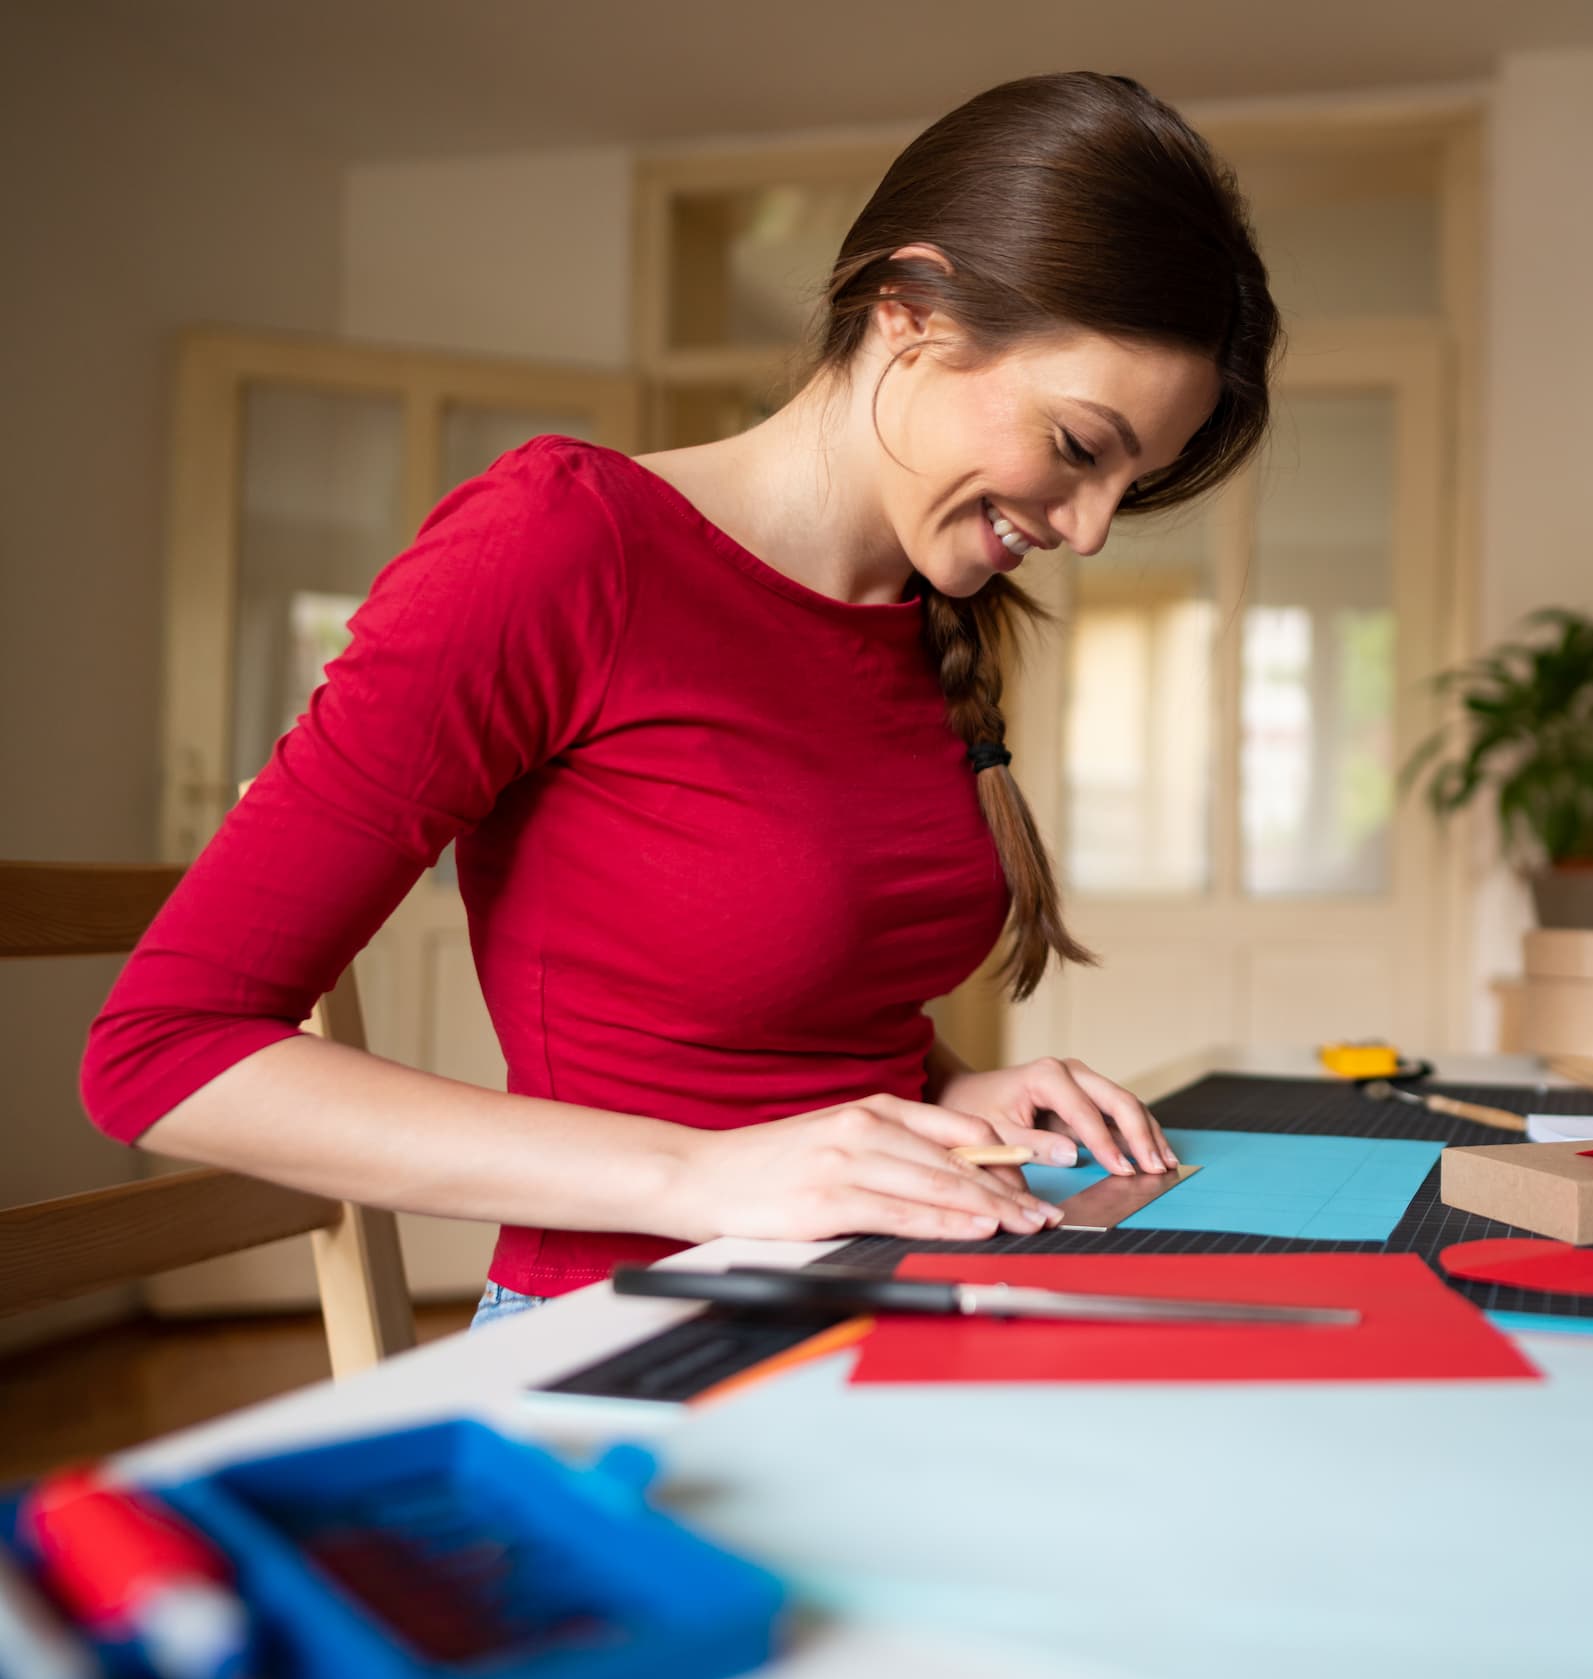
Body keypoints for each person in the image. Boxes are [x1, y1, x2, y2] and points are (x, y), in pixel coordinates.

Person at [78, 72, 1283, 1330]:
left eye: (1129, 485)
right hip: (634, 1323)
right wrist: (699, 1174)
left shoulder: (928, 611)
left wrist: (950, 1093)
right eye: (1081, 449)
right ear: (911, 311)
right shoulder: (562, 545)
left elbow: (774, 1005)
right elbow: (164, 1053)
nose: (1089, 532)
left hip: (875, 1284)